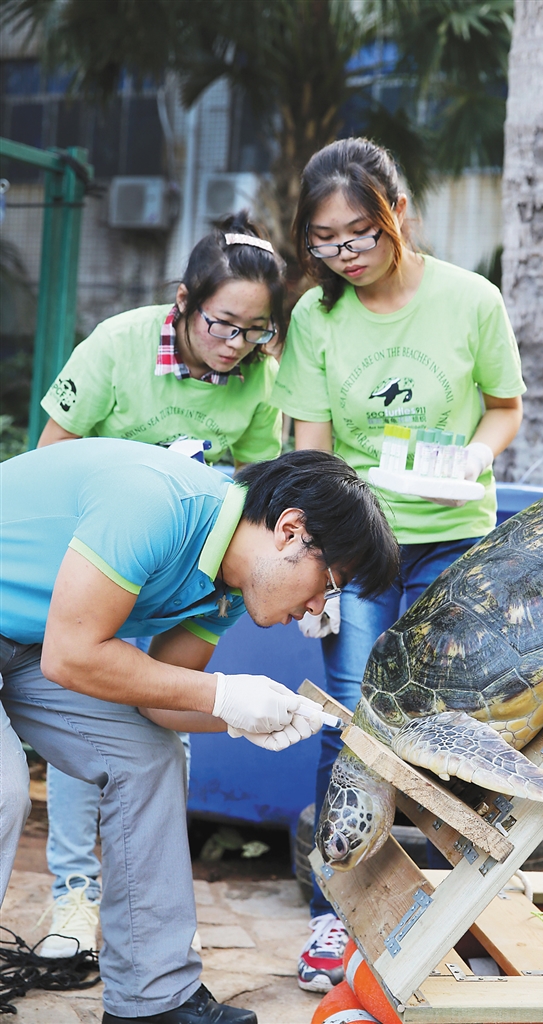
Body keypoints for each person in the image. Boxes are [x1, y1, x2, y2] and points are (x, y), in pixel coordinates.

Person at [0, 440, 399, 1024]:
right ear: (290, 531)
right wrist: (225, 696)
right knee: (4, 789)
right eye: (328, 583)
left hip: (30, 642)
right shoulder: (154, 501)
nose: (318, 608)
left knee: (148, 758)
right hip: (52, 645)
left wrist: (252, 715)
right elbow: (73, 655)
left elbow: (159, 702)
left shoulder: (226, 588)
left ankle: (152, 1001)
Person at [272, 137, 525, 993]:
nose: (343, 254)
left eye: (359, 234)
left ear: (397, 214)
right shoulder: (316, 319)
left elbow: (503, 406)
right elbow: (312, 453)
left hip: (454, 539)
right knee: (352, 722)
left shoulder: (470, 299)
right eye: (323, 240)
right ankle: (333, 915)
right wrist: (315, 571)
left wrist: (475, 459)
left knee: (458, 725)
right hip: (359, 547)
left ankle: (463, 909)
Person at [35, 211, 286, 956]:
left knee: (168, 718)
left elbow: (254, 489)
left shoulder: (260, 380)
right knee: (83, 722)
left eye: (255, 331)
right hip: (94, 564)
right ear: (183, 301)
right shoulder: (119, 344)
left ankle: (151, 906)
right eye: (222, 324)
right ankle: (73, 897)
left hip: (181, 578)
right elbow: (52, 454)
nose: (235, 344)